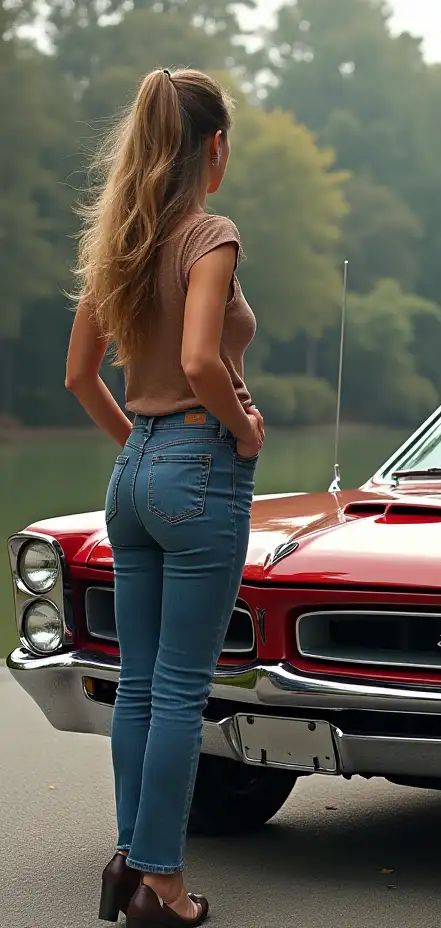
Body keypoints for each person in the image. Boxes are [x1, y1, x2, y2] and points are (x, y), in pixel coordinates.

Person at [65, 66, 264, 928]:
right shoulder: (209, 234)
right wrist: (243, 430)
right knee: (182, 688)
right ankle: (164, 885)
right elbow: (197, 361)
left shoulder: (118, 238)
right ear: (214, 148)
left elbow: (78, 376)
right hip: (199, 469)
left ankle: (129, 860)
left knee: (140, 684)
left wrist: (142, 454)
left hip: (133, 474)